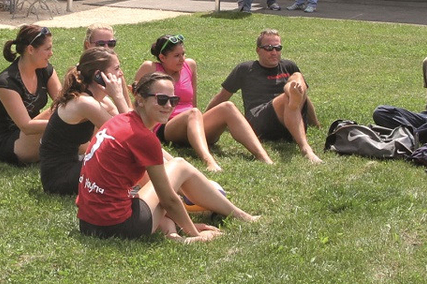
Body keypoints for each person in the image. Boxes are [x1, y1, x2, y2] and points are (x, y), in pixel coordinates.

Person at [76, 72, 258, 242]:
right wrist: (195, 234)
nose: (169, 106)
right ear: (140, 100)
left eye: (173, 100)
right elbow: (168, 199)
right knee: (179, 165)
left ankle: (172, 231)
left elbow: (146, 185)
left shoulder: (118, 121)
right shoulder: (143, 138)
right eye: (162, 100)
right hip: (119, 226)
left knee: (160, 182)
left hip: (88, 223)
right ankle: (241, 215)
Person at [135, 33, 273, 168]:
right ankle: (209, 161)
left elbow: (193, 102)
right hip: (167, 125)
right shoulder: (150, 68)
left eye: (183, 54)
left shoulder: (190, 65)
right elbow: (138, 99)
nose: (182, 59)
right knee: (194, 113)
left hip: (193, 120)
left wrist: (199, 120)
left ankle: (263, 156)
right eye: (176, 56)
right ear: (162, 57)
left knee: (228, 106)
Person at [206, 29, 323, 162]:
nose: (274, 52)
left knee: (297, 77)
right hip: (261, 121)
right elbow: (222, 96)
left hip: (289, 121)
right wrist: (204, 119)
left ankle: (291, 95)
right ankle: (305, 148)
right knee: (289, 96)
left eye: (278, 48)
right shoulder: (246, 69)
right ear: (258, 50)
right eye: (269, 48)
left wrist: (316, 124)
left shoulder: (289, 66)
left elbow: (304, 97)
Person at [40, 47, 129, 195]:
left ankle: (166, 174)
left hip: (74, 165)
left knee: (131, 154)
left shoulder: (99, 100)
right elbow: (129, 135)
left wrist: (168, 159)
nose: (121, 73)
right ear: (98, 75)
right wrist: (119, 96)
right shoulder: (84, 103)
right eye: (116, 68)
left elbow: (137, 131)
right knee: (125, 157)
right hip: (59, 178)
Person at [0, 23, 62, 165]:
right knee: (68, 114)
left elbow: (64, 101)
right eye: (47, 49)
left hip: (34, 132)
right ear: (30, 49)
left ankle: (90, 152)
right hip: (11, 143)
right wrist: (63, 123)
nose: (51, 53)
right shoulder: (7, 82)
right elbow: (26, 126)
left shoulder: (45, 70)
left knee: (69, 107)